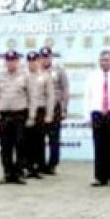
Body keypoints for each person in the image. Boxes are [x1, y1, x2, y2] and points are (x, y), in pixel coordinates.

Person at [84, 49, 110, 187]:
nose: (104, 62)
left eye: (107, 60)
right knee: (99, 146)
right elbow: (87, 97)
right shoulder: (92, 76)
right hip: (97, 113)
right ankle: (100, 177)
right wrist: (87, 116)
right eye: (102, 60)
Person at [0, 51, 30, 185]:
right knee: (5, 146)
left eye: (13, 60)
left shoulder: (25, 76)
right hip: (4, 115)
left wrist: (31, 116)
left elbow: (30, 96)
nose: (11, 63)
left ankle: (19, 173)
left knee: (20, 144)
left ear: (17, 61)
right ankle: (7, 173)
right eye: (8, 60)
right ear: (5, 62)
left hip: (19, 114)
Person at [24, 52, 54, 179]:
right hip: (26, 111)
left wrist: (49, 114)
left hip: (40, 111)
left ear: (38, 61)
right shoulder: (24, 75)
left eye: (35, 61)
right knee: (26, 141)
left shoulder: (45, 76)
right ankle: (28, 167)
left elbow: (50, 96)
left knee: (39, 140)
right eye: (30, 61)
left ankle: (39, 167)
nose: (32, 63)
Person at [39, 47, 68, 175]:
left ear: (51, 57)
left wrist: (64, 108)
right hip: (40, 108)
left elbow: (65, 89)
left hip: (55, 107)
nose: (45, 59)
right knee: (38, 138)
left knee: (54, 138)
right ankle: (39, 164)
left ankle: (52, 165)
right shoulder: (35, 71)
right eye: (43, 57)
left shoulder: (58, 70)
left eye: (47, 57)